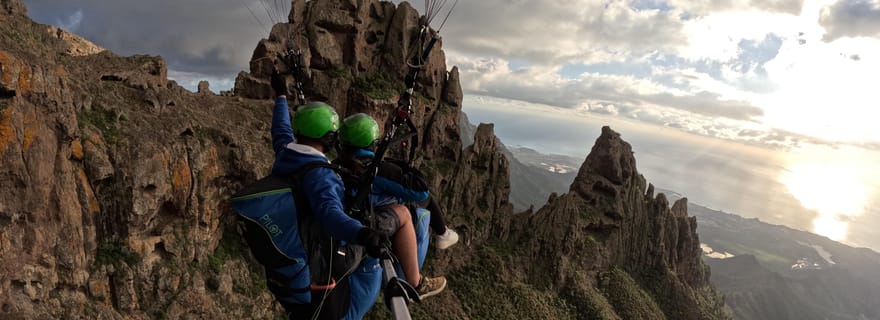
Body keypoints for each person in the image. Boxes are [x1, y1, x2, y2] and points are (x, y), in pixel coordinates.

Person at [267, 75, 386, 319]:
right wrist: (364, 234)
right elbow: (330, 215)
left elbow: (280, 128)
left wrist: (280, 95)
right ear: (330, 139)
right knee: (373, 251)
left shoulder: (286, 153)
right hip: (316, 258)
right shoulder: (321, 175)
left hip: (292, 249)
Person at [334, 114, 451, 318]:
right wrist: (400, 167)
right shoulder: (373, 168)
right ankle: (416, 282)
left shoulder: (339, 162)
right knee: (406, 213)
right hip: (364, 224)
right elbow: (420, 191)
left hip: (345, 222)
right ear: (372, 142)